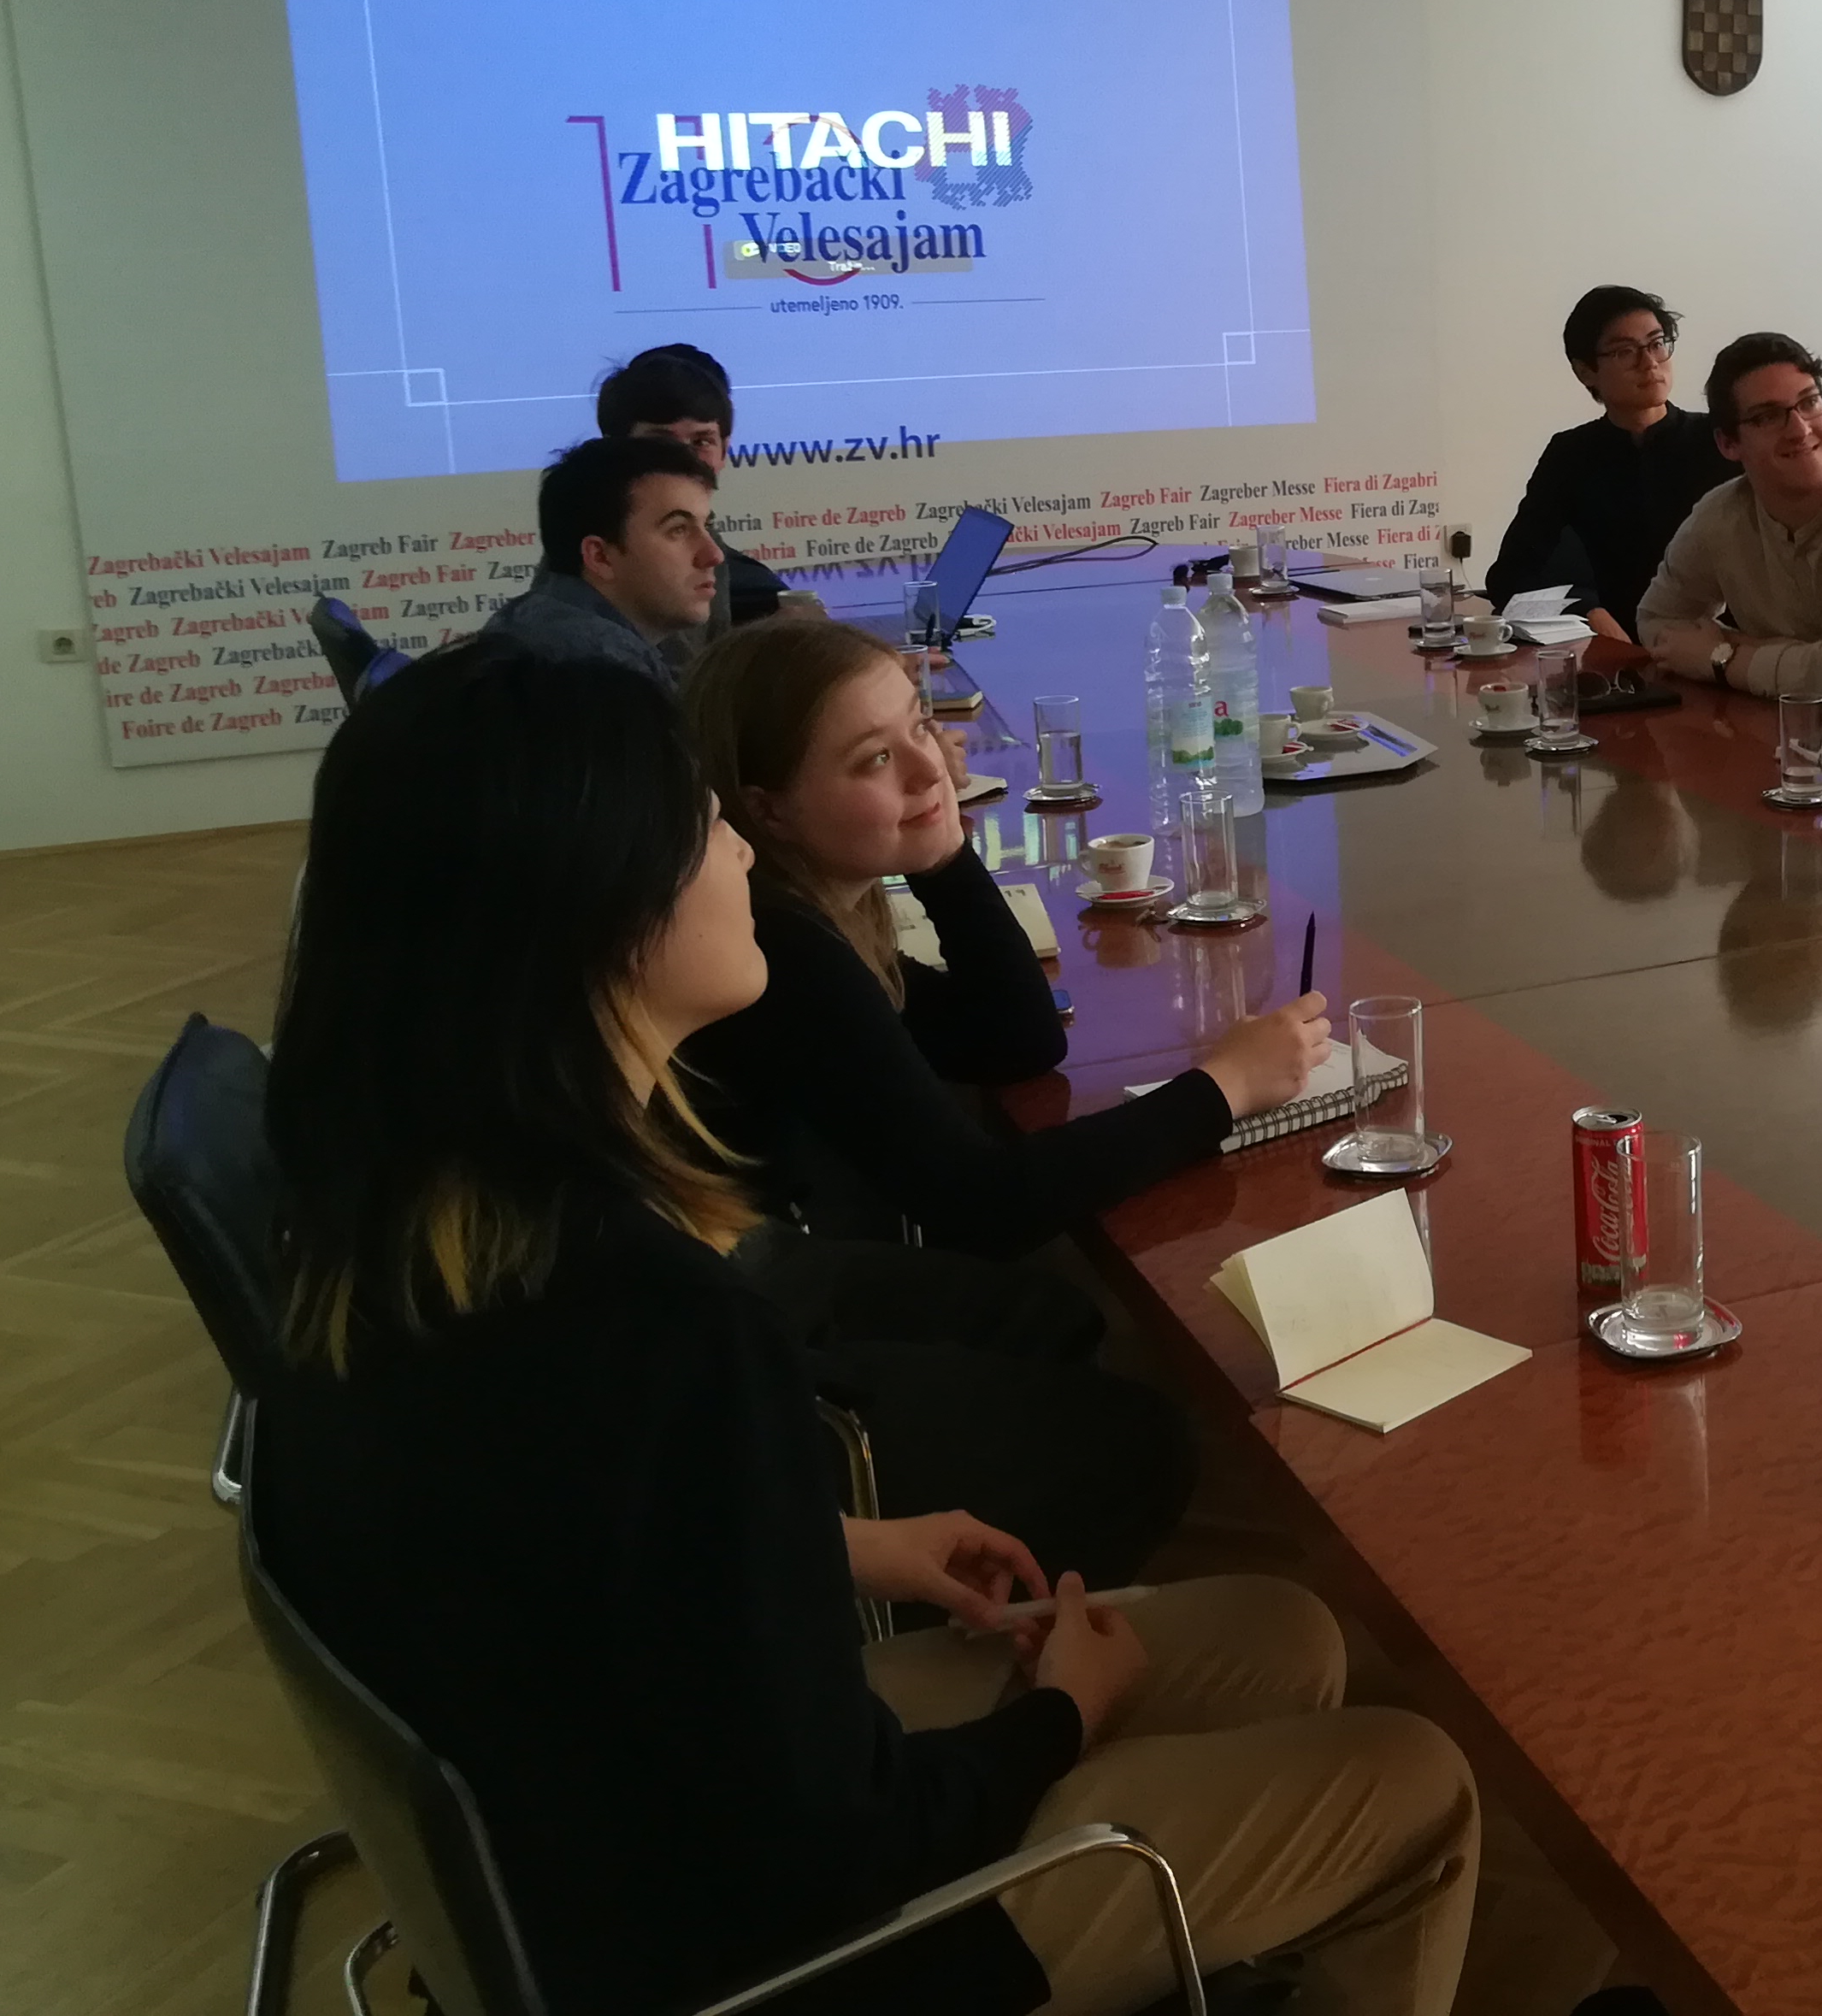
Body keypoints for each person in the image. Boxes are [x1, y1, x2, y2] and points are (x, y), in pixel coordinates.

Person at [253, 645, 1478, 2016]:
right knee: (1419, 1779)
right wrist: (1060, 1717)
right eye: (700, 826)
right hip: (802, 1959)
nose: (734, 846)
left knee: (1286, 1631)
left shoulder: (415, 1230)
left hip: (613, 1851)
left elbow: (577, 1541)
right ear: (596, 915)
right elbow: (847, 1853)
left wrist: (820, 1535)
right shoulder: (654, 1324)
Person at [678, 616, 1330, 1578]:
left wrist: (945, 856)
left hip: (783, 1270)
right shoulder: (785, 952)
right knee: (1138, 1432)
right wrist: (1221, 1089)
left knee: (1059, 1317)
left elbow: (1015, 1039)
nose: (928, 768)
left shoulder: (822, 912)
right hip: (754, 1322)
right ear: (766, 811)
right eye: (874, 759)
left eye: (919, 728)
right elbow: (983, 1204)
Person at [1636, 332, 1822, 695]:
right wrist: (1804, 660)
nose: (1800, 429)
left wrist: (1722, 657)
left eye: (1810, 402)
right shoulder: (1720, 515)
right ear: (1728, 444)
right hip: (1780, 722)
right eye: (1767, 416)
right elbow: (1656, 619)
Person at [1483, 288, 1740, 641]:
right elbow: (1510, 575)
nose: (1649, 363)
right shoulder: (1570, 454)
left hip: (1718, 645)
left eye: (1657, 344)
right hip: (1612, 653)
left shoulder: (1722, 441)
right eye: (1625, 351)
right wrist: (1586, 610)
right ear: (1586, 371)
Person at [597, 341, 798, 652]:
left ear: (724, 450)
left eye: (702, 441)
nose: (683, 458)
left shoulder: (709, 542)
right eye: (659, 441)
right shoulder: (612, 537)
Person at [477, 433, 721, 687]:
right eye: (678, 530)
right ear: (600, 557)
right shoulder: (601, 672)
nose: (714, 555)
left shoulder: (524, 626)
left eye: (707, 525)